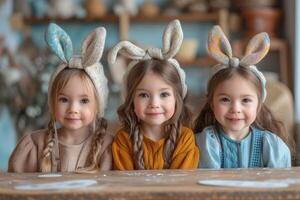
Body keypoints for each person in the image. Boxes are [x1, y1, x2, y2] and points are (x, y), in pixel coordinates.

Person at [8, 23, 112, 172]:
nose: (73, 109)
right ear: (52, 101)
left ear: (98, 106)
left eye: (84, 101)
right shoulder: (35, 146)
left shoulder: (107, 147)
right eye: (64, 100)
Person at [194, 25, 292, 168]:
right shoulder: (204, 143)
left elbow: (280, 187)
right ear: (211, 103)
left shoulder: (273, 147)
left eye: (245, 100)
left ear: (258, 106)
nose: (235, 109)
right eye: (225, 99)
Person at [108, 20, 199, 170]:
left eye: (164, 94)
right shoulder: (123, 141)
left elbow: (182, 185)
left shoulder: (185, 139)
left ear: (177, 98)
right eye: (144, 95)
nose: (154, 103)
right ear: (130, 100)